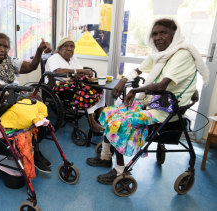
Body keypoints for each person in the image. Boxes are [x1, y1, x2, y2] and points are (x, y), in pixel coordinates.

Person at [86, 18, 209, 185]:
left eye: (163, 33)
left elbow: (161, 86)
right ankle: (106, 156)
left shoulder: (182, 55)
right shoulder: (161, 54)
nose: (158, 37)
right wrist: (124, 80)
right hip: (153, 103)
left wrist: (135, 90)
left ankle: (119, 171)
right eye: (155, 34)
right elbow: (140, 68)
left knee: (119, 122)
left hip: (166, 110)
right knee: (109, 112)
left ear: (175, 34)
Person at [0, 32, 53, 173]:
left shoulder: (8, 61)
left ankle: (34, 150)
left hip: (12, 101)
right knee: (29, 113)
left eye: (5, 47)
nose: (2, 49)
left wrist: (39, 51)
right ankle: (30, 154)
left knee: (39, 106)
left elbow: (30, 67)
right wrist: (21, 97)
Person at [44, 37, 105, 134]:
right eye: (66, 46)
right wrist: (79, 71)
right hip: (59, 85)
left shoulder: (73, 58)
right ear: (59, 49)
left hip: (73, 83)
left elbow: (79, 70)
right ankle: (91, 120)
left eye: (72, 46)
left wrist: (81, 73)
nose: (69, 48)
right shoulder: (53, 58)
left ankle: (100, 116)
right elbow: (58, 71)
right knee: (87, 91)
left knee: (99, 87)